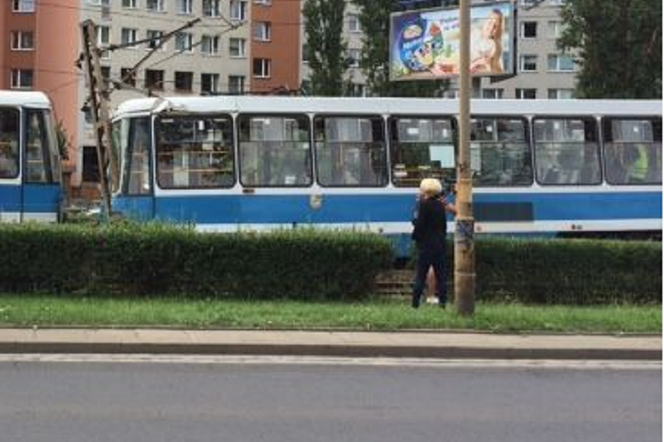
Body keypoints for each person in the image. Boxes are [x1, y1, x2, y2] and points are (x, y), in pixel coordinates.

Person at [411, 178, 451, 309]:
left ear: (424, 190)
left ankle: (415, 304)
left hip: (426, 245)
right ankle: (443, 304)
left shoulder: (423, 204)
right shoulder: (441, 205)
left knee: (421, 275)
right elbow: (443, 226)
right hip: (439, 244)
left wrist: (416, 236)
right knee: (441, 276)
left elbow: (420, 224)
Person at [470, 9, 504, 74]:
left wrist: (492, 63)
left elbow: (499, 72)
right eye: (490, 22)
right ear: (485, 21)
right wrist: (477, 62)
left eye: (495, 26)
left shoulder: (495, 45)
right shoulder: (473, 34)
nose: (491, 28)